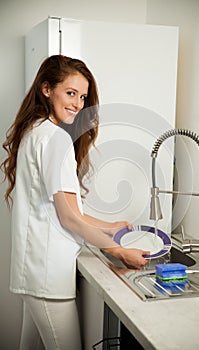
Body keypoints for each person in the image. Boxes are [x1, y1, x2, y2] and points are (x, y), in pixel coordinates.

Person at [1, 55, 149, 350]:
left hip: (35, 271)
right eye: (70, 93)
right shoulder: (55, 139)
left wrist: (108, 226)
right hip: (48, 274)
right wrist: (119, 251)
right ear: (47, 89)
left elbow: (59, 209)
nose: (78, 103)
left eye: (82, 96)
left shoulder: (35, 132)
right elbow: (68, 217)